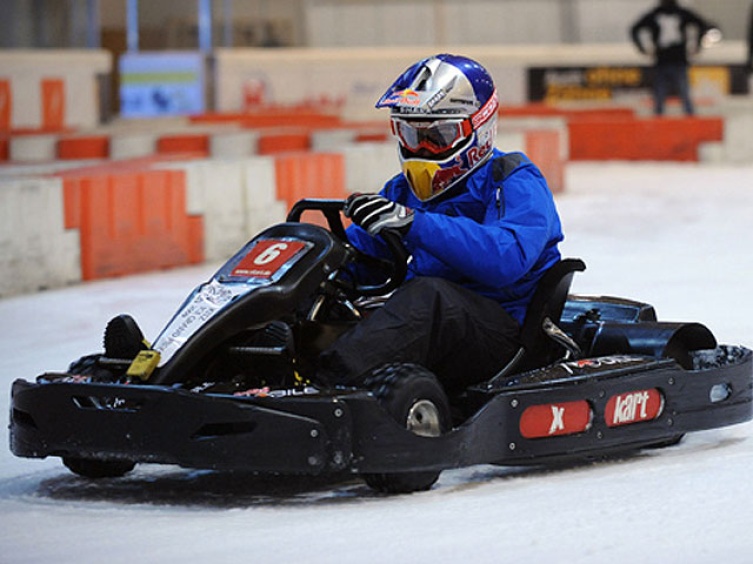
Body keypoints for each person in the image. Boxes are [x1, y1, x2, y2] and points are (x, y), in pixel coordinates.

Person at [316, 54, 564, 394]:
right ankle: (259, 366)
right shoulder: (403, 190)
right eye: (411, 134)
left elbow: (506, 259)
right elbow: (363, 257)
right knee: (317, 289)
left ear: (479, 128)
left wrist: (415, 224)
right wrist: (321, 271)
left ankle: (325, 384)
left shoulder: (514, 180)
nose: (422, 149)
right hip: (442, 327)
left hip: (505, 334)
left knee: (429, 295)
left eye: (438, 136)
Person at [630, 0, 714, 115]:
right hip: (663, 61)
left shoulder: (679, 13)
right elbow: (635, 29)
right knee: (661, 95)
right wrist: (642, 48)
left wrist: (698, 45)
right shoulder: (658, 14)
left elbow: (702, 25)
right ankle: (661, 121)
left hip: (676, 60)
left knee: (682, 93)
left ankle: (688, 120)